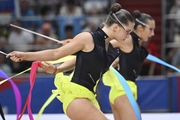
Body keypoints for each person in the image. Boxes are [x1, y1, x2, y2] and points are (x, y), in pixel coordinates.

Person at [7, 3, 134, 120]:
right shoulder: (88, 38)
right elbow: (55, 53)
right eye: (127, 32)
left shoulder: (110, 49)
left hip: (89, 98)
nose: (128, 36)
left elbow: (78, 60)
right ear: (116, 27)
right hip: (76, 97)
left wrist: (58, 69)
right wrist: (24, 55)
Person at [105, 10, 155, 120]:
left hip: (120, 91)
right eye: (150, 29)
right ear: (141, 28)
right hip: (123, 92)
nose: (153, 34)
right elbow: (105, 45)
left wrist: (117, 58)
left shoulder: (138, 47)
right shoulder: (128, 40)